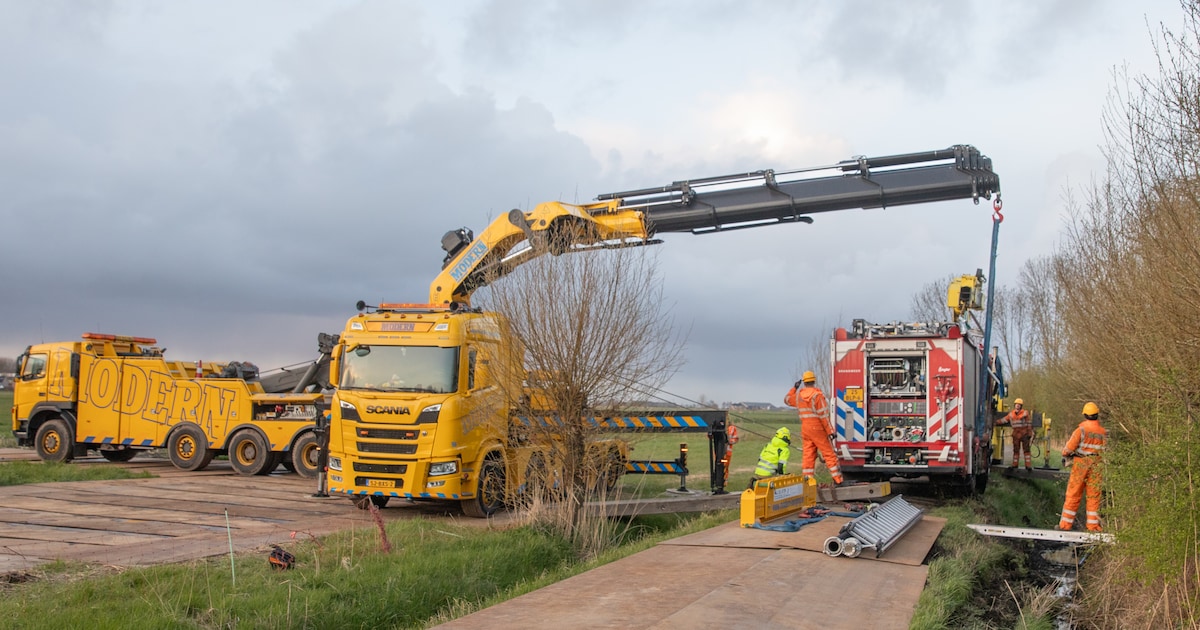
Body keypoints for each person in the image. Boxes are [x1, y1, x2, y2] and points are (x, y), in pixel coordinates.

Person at [784, 371, 845, 486]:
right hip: (817, 429)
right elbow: (823, 416)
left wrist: (794, 388)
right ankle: (838, 480)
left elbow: (787, 400)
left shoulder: (798, 396)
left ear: (804, 382)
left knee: (808, 455)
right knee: (829, 454)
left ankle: (807, 482)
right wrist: (830, 431)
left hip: (805, 429)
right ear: (814, 381)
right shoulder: (817, 396)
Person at [1057, 402, 1108, 532]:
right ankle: (1093, 526)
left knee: (1073, 494)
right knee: (1094, 495)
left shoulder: (1081, 430)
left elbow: (1067, 450)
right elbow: (1106, 450)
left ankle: (1065, 525)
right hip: (1097, 465)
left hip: (1081, 464)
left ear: (1085, 414)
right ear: (1097, 414)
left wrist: (1067, 454)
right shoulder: (1103, 432)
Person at [997, 397, 1034, 471]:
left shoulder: (1025, 413)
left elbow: (1029, 423)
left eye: (1019, 405)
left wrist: (1030, 433)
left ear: (1021, 406)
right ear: (1015, 405)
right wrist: (995, 422)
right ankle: (1015, 464)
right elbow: (1004, 420)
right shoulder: (1011, 414)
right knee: (1016, 450)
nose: (1017, 406)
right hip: (1016, 435)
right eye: (1016, 404)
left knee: (1026, 450)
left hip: (1024, 434)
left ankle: (1028, 466)